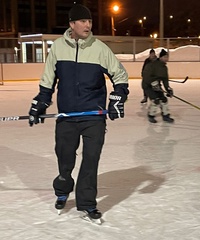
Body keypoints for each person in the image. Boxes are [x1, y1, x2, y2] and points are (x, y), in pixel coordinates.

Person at [28, 4, 129, 223]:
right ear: (72, 24)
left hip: (93, 115)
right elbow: (48, 80)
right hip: (67, 116)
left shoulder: (100, 48)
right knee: (64, 158)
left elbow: (119, 75)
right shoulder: (57, 48)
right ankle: (63, 189)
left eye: (90, 21)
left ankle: (87, 203)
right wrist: (40, 102)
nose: (88, 25)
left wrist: (118, 97)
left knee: (91, 159)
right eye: (83, 21)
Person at [142, 49, 174, 123]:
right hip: (147, 85)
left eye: (167, 57)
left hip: (157, 85)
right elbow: (146, 76)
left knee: (164, 99)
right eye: (165, 57)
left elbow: (165, 79)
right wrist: (153, 83)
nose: (167, 59)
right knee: (155, 100)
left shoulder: (164, 68)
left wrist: (168, 89)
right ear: (161, 57)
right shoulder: (152, 65)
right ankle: (151, 115)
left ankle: (166, 115)